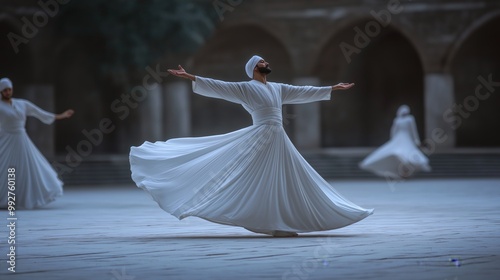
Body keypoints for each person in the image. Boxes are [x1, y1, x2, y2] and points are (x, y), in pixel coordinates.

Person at [130, 55, 373, 237]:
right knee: (262, 178)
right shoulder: (246, 88)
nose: (266, 64)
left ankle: (281, 222)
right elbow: (220, 86)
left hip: (278, 137)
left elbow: (302, 91)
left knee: (283, 178)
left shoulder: (277, 88)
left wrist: (331, 88)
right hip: (260, 137)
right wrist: (190, 76)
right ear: (254, 68)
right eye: (261, 62)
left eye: (265, 61)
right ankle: (272, 223)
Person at [0, 78, 74, 209]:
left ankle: (25, 198)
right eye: (4, 90)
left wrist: (61, 116)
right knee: (5, 167)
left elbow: (40, 113)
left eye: (9, 89)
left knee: (28, 168)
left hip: (21, 140)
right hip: (7, 139)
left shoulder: (22, 104)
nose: (7, 92)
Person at [359, 104, 431, 179]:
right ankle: (403, 171)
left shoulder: (406, 119)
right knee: (402, 153)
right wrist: (415, 140)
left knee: (405, 153)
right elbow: (395, 130)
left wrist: (416, 140)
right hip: (400, 138)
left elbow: (411, 130)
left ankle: (405, 170)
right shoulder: (400, 120)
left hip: (404, 138)